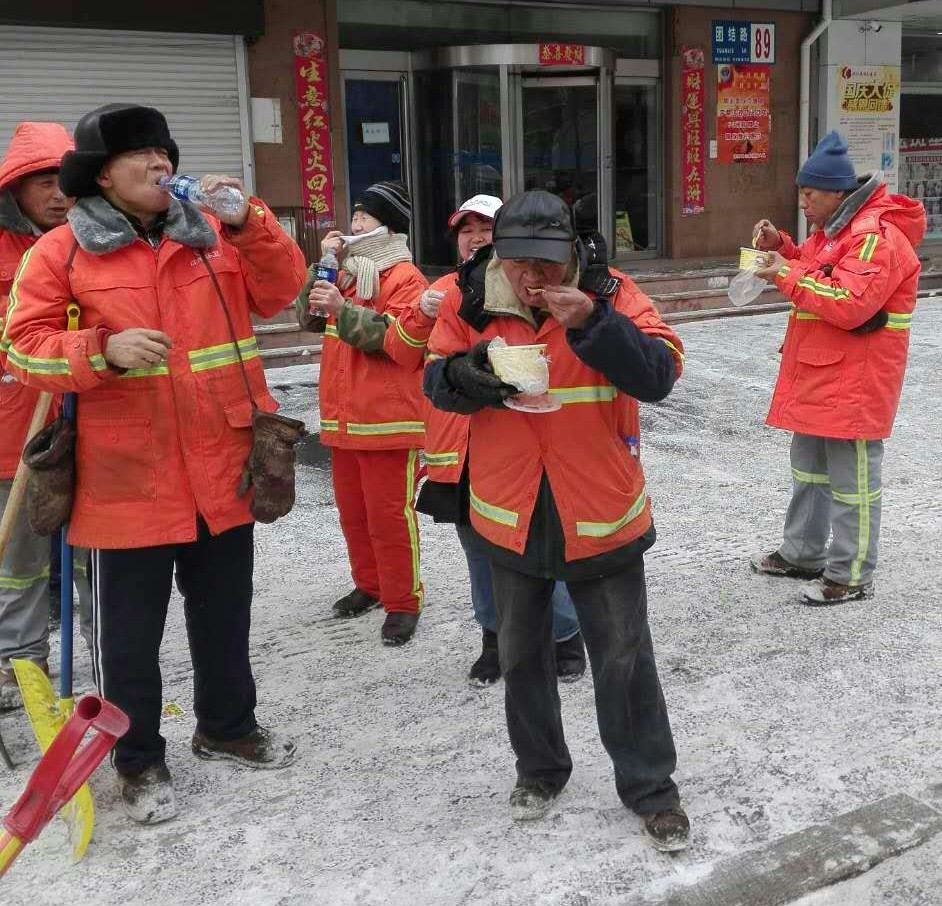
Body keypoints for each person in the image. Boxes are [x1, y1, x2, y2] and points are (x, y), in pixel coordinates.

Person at [1, 103, 307, 824]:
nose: (159, 163)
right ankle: (137, 761)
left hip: (224, 470)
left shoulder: (211, 240)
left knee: (225, 617)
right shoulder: (63, 253)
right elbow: (20, 349)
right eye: (139, 154)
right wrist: (99, 352)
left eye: (163, 151)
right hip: (123, 481)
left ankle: (227, 728)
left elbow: (281, 290)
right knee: (129, 639)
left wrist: (250, 221)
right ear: (101, 175)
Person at [424, 190, 690, 852]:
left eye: (546, 263)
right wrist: (473, 373)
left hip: (600, 509)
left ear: (570, 252)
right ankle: (539, 772)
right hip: (509, 509)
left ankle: (651, 786)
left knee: (624, 656)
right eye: (518, 264)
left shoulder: (611, 292)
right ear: (498, 255)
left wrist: (595, 322)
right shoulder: (467, 296)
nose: (533, 278)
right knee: (521, 656)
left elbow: (660, 373)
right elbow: (434, 380)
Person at [400, 194, 586, 686]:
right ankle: (493, 637)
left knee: (547, 546)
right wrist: (420, 312)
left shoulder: (539, 288)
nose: (476, 236)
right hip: (454, 452)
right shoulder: (444, 290)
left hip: (522, 448)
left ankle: (565, 634)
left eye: (486, 227)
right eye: (467, 229)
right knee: (480, 553)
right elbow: (404, 351)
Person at [751, 130, 926, 605]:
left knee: (853, 484)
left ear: (837, 193)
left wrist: (785, 273)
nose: (802, 201)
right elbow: (812, 266)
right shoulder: (834, 234)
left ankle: (851, 573)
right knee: (809, 470)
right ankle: (803, 552)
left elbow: (848, 301)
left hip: (856, 381)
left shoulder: (874, 239)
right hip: (822, 373)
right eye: (801, 192)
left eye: (809, 193)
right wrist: (782, 247)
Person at [296, 181, 428, 645]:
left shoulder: (405, 278)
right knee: (354, 515)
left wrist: (342, 308)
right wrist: (320, 269)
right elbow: (308, 318)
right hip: (343, 416)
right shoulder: (346, 272)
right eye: (353, 217)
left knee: (390, 517)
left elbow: (398, 341)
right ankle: (370, 585)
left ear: (388, 226)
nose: (353, 226)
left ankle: (402, 602)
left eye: (365, 218)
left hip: (389, 419)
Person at [0, 121, 92, 710]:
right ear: (15, 189)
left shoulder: (96, 240)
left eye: (66, 181)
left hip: (93, 422)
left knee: (96, 555)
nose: (57, 195)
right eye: (43, 183)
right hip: (17, 429)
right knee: (21, 560)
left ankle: (110, 657)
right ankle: (18, 664)